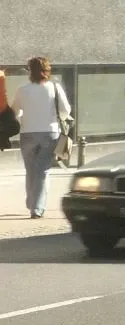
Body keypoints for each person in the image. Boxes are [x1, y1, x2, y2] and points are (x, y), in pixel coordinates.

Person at [10, 57, 71, 219]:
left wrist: (25, 114)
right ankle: (37, 208)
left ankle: (31, 201)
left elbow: (15, 111)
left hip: (27, 133)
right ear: (47, 69)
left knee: (31, 170)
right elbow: (65, 111)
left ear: (30, 71)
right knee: (42, 170)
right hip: (50, 132)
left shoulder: (22, 89)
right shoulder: (55, 88)